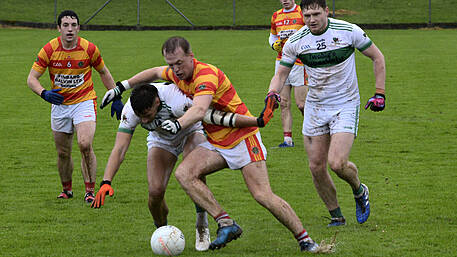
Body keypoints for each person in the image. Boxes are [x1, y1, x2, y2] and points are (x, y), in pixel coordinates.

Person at [100, 36, 322, 253]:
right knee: (185, 174)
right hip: (215, 140)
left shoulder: (205, 75)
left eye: (179, 63)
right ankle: (226, 223)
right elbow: (155, 72)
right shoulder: (176, 75)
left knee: (262, 195)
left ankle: (305, 240)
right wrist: (121, 87)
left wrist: (178, 125)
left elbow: (198, 111)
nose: (175, 69)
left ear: (191, 56)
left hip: (242, 138)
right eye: (171, 64)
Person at [91, 82, 262, 251]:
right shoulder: (131, 110)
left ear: (157, 102)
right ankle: (162, 232)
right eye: (140, 116)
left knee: (192, 171)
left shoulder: (178, 100)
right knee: (155, 192)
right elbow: (120, 148)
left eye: (146, 114)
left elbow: (213, 115)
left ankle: (201, 223)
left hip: (191, 131)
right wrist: (106, 181)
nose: (143, 120)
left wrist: (254, 121)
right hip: (162, 140)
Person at [268, 0, 386, 226]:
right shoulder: (296, 41)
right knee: (316, 167)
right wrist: (272, 92)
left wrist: (379, 93)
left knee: (337, 163)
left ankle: (359, 190)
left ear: (326, 12)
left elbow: (377, 57)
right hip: (315, 105)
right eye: (307, 15)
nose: (311, 19)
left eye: (316, 14)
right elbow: (281, 73)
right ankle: (336, 215)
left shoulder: (348, 31)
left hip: (345, 104)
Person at [26, 10, 124, 203]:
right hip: (60, 104)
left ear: (78, 27)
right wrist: (44, 93)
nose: (70, 29)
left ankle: (89, 190)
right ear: (59, 28)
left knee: (85, 144)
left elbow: (103, 72)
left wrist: (116, 96)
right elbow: (31, 78)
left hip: (84, 101)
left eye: (73, 25)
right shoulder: (49, 49)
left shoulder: (89, 48)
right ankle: (67, 189)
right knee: (63, 153)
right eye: (65, 25)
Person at [270, 0, 308, 148]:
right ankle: (288, 140)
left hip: (299, 63)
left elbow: (311, 32)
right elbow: (272, 36)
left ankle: (315, 134)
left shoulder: (302, 13)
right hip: (281, 62)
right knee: (284, 103)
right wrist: (274, 45)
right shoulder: (276, 16)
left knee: (302, 104)